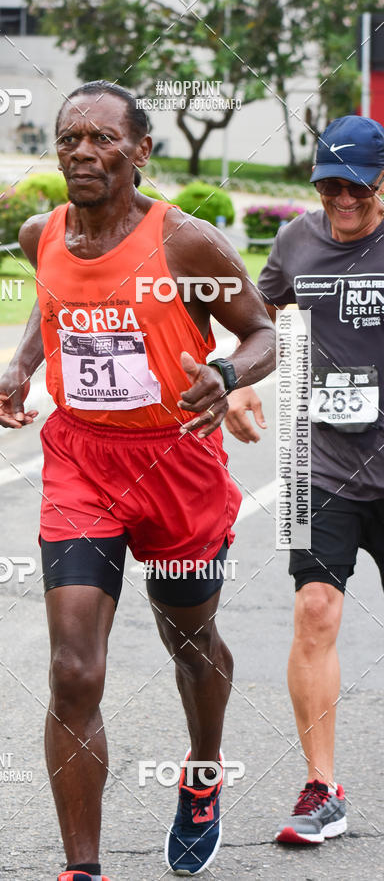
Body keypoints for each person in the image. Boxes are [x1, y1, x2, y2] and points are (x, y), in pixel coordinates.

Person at [0, 80, 275, 879]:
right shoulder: (38, 232)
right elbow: (54, 300)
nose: (83, 150)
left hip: (174, 460)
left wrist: (224, 372)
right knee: (74, 667)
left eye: (103, 138)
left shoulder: (188, 243)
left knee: (188, 638)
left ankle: (204, 768)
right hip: (82, 459)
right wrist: (20, 365)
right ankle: (83, 867)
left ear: (140, 151)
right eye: (70, 136)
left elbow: (261, 333)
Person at [226, 114, 384, 845]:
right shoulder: (295, 241)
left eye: (354, 184)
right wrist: (238, 379)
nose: (340, 198)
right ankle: (324, 788)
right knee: (315, 609)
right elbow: (259, 316)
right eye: (327, 184)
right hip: (320, 466)